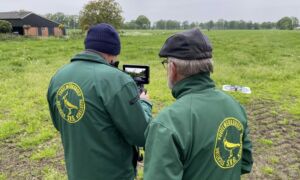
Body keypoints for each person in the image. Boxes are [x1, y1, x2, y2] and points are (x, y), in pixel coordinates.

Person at [144, 28, 253, 180]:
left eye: (166, 63)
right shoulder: (235, 106)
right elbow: (245, 162)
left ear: (173, 69)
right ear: (208, 66)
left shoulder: (167, 123)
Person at [47, 23, 152, 180]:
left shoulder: (58, 76)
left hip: (77, 172)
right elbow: (142, 135)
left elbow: (59, 124)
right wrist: (144, 103)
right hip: (114, 174)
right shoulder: (118, 80)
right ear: (113, 53)